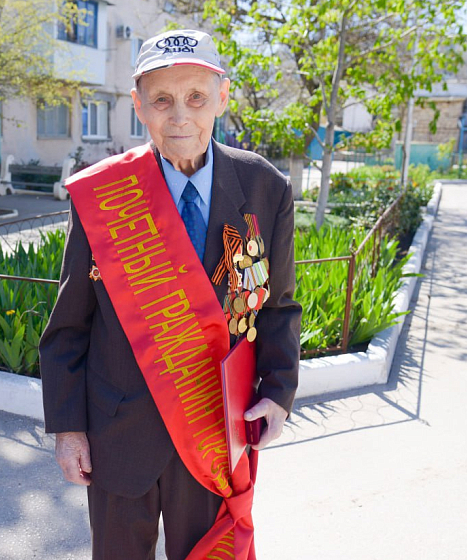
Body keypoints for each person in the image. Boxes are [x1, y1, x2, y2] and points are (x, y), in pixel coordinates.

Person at [39, 29, 301, 560]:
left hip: (213, 436)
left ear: (221, 98)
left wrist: (278, 392)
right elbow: (69, 325)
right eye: (162, 100)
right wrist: (69, 430)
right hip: (117, 437)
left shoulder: (265, 188)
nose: (180, 116)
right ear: (139, 106)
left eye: (196, 97)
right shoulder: (105, 195)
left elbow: (278, 307)